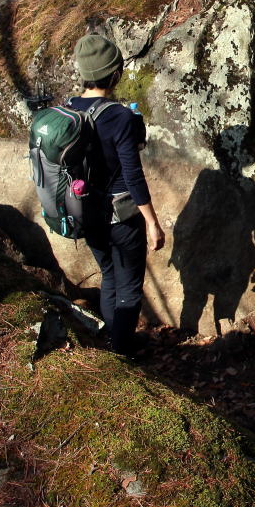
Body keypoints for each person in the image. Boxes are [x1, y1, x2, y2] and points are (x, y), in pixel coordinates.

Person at [69, 34, 166, 355]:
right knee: (128, 287)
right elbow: (132, 175)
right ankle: (123, 352)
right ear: (115, 73)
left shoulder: (69, 111)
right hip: (120, 216)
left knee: (110, 275)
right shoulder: (119, 116)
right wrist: (151, 221)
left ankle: (115, 342)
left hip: (84, 212)